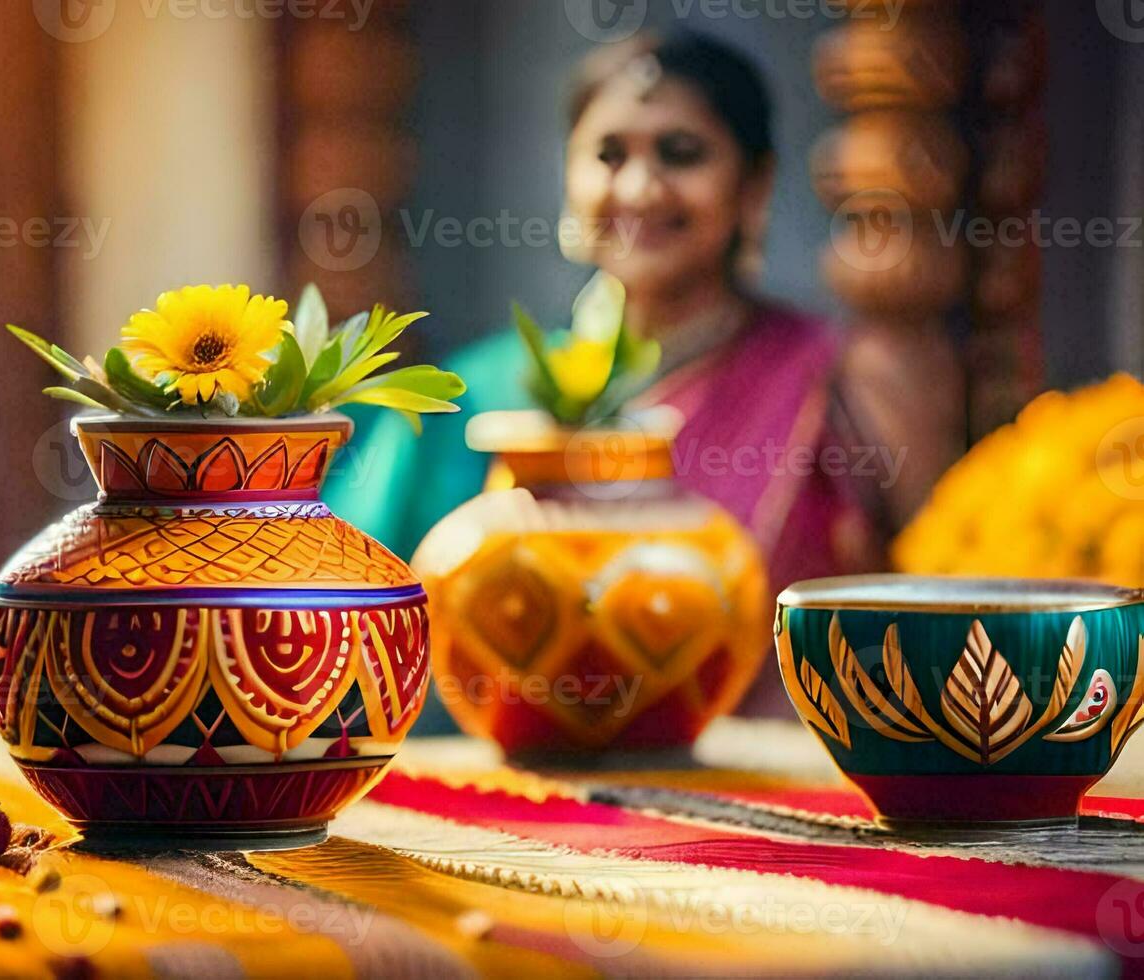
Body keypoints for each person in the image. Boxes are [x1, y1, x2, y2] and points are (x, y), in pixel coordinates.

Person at [324, 32, 959, 708]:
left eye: (680, 153)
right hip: (516, 791)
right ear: (568, 177)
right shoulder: (478, 396)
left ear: (755, 182)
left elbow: (953, 616)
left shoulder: (847, 380)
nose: (639, 187)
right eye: (608, 154)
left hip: (778, 797)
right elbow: (350, 622)